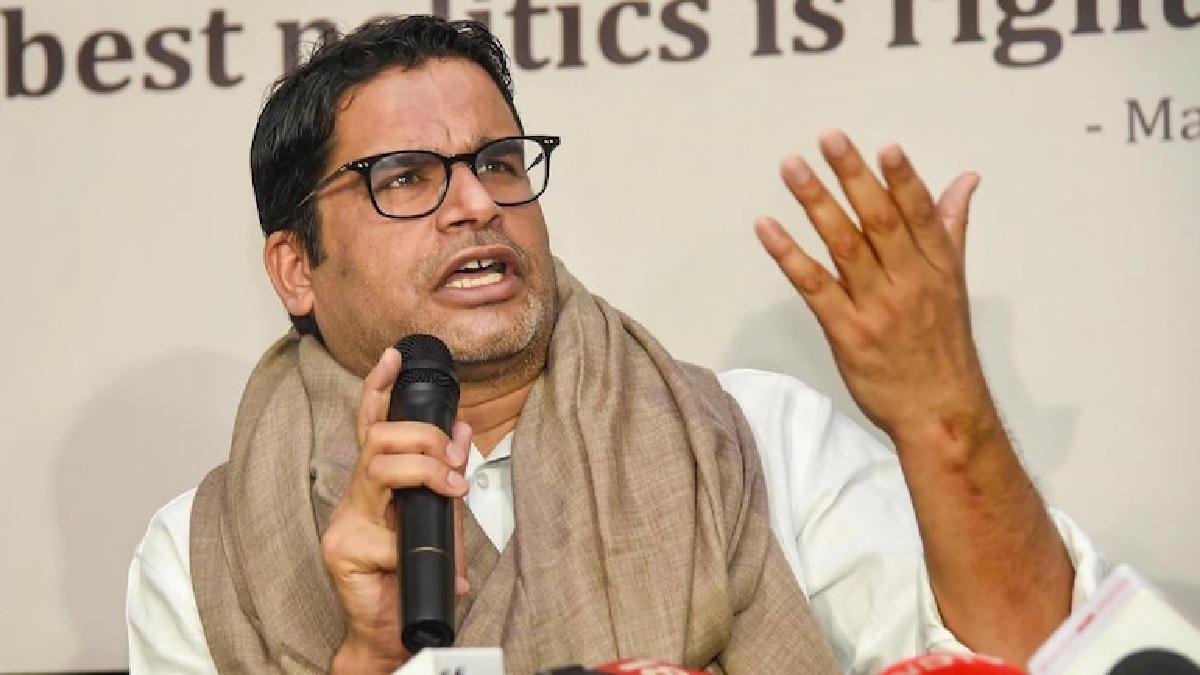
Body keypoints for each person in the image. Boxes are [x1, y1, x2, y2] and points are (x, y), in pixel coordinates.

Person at [125, 14, 1106, 675]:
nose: (476, 203)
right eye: (408, 177)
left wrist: (946, 418)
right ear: (296, 267)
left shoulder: (760, 441)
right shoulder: (202, 557)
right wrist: (370, 659)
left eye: (498, 162)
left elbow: (1030, 658)